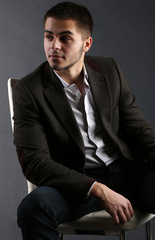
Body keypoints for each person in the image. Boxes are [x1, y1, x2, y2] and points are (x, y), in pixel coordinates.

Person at [13, 2, 155, 240]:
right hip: (76, 181)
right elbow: (35, 162)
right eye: (49, 36)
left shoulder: (110, 70)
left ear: (86, 44)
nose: (54, 46)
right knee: (33, 209)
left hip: (125, 169)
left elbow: (137, 129)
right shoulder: (29, 90)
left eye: (65, 38)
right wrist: (97, 189)